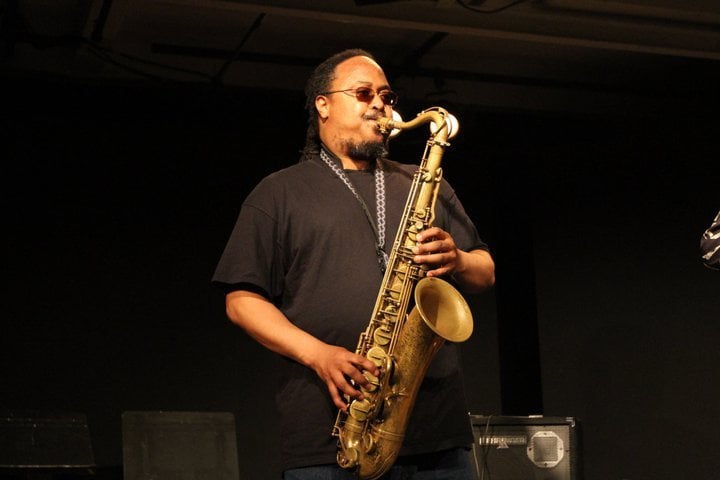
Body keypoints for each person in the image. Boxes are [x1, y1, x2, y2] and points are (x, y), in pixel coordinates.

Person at [212, 48, 495, 479]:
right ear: (323, 105)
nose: (380, 104)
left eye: (387, 95)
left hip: (438, 434)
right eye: (363, 93)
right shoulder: (279, 192)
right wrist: (320, 355)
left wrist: (456, 258)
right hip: (332, 433)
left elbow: (485, 271)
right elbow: (241, 301)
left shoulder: (420, 181)